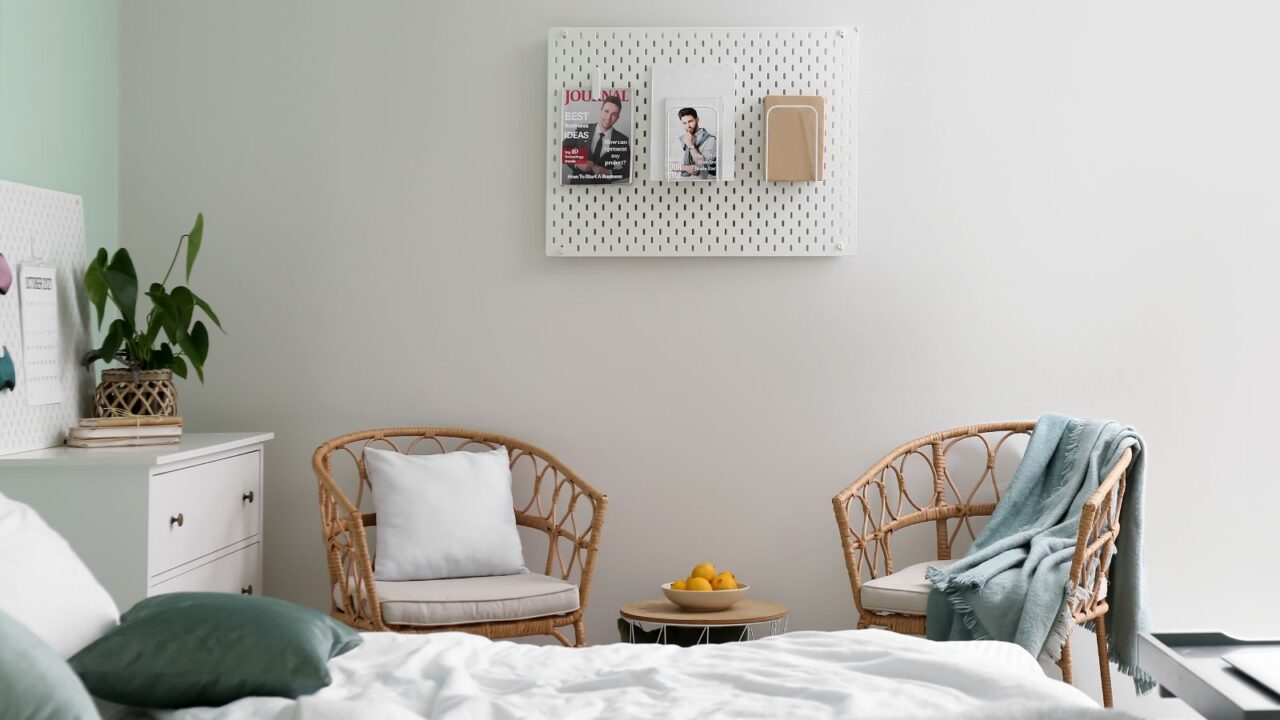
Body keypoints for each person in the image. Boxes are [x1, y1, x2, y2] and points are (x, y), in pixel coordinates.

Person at [564, 95, 630, 184]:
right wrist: (577, 163)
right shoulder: (583, 129)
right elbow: (562, 150)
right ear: (601, 111)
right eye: (606, 111)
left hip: (603, 192)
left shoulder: (622, 139)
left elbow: (628, 169)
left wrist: (608, 173)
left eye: (613, 114)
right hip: (577, 187)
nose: (608, 117)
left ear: (617, 118)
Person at [671, 107, 717, 179]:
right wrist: (686, 168)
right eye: (684, 123)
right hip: (682, 183)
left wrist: (690, 145)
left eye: (690, 121)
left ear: (697, 119)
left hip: (702, 183)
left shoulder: (710, 139)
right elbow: (671, 165)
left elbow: (704, 168)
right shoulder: (681, 139)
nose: (688, 126)